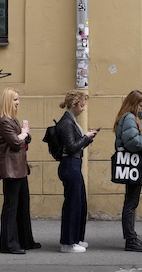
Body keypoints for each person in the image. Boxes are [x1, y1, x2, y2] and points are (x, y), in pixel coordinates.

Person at [0, 87, 38, 254]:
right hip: (11, 169)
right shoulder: (4, 121)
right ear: (7, 101)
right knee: (11, 206)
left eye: (18, 99)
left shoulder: (12, 120)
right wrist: (23, 134)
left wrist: (24, 134)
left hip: (19, 168)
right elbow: (16, 142)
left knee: (22, 204)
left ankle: (24, 240)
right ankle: (9, 244)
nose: (18, 102)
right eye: (15, 100)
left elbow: (24, 139)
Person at [114, 90, 142, 252]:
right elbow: (134, 143)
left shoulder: (130, 118)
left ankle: (131, 238)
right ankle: (131, 240)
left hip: (133, 166)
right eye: (141, 105)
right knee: (131, 204)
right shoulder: (130, 118)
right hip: (133, 166)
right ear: (133, 104)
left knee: (131, 202)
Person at [57, 90, 97, 253]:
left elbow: (75, 146)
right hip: (70, 165)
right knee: (72, 204)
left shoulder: (70, 120)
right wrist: (86, 137)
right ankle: (68, 243)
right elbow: (72, 147)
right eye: (81, 106)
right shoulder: (66, 122)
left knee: (79, 203)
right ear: (73, 105)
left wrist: (87, 138)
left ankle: (76, 238)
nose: (83, 109)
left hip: (74, 164)